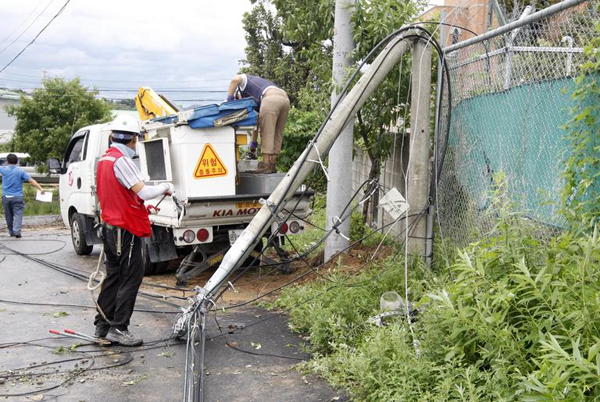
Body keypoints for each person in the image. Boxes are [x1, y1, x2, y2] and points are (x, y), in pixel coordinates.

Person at [94, 115, 174, 346]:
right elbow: (143, 192)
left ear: (112, 136)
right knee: (131, 278)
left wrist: (135, 205)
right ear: (133, 139)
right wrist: (165, 187)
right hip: (124, 231)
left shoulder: (104, 160)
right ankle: (119, 327)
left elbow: (118, 194)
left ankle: (102, 326)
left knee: (114, 277)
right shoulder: (122, 161)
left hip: (111, 227)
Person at [227, 74, 290, 174]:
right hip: (285, 99)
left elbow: (235, 79)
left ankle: (265, 165)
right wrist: (253, 144)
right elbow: (257, 122)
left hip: (270, 98)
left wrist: (229, 101)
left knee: (267, 132)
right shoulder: (256, 97)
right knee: (277, 133)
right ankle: (272, 164)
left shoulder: (244, 81)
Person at [0, 153, 45, 238]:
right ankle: (17, 231)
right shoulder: (21, 171)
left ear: (7, 161)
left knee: (8, 215)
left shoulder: (3, 170)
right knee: (18, 214)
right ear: (17, 161)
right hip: (17, 196)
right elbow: (31, 180)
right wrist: (40, 188)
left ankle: (11, 231)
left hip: (6, 197)